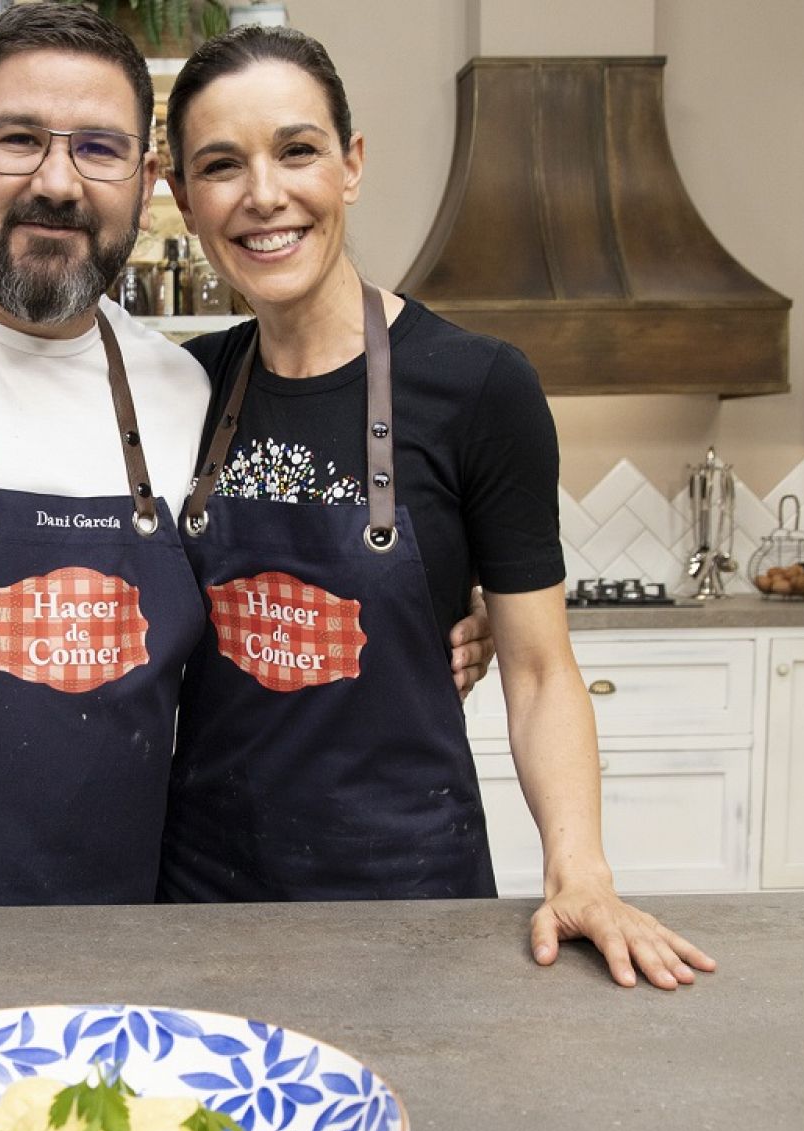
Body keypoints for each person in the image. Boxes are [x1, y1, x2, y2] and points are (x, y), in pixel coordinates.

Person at [0, 5, 496, 1054]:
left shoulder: (180, 384)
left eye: (98, 148)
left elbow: (265, 594)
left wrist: (435, 613)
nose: (58, 182)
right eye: (19, 138)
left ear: (147, 184)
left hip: (131, 976)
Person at [151, 25, 715, 990]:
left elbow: (540, 672)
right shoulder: (180, 386)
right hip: (206, 897)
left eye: (297, 150)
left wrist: (581, 873)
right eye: (221, 166)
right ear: (182, 199)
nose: (264, 195)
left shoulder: (479, 386)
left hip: (410, 895)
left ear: (352, 163)